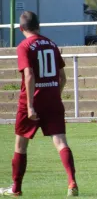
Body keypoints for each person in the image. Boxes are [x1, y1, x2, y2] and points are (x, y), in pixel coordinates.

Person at [0, 11, 78, 197]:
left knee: (21, 145)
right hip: (52, 98)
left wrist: (30, 105)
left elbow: (29, 75)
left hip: (32, 99)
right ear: (38, 26)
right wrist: (54, 95)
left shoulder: (24, 46)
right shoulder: (51, 44)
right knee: (60, 141)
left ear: (20, 28)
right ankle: (71, 181)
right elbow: (63, 78)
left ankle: (16, 189)